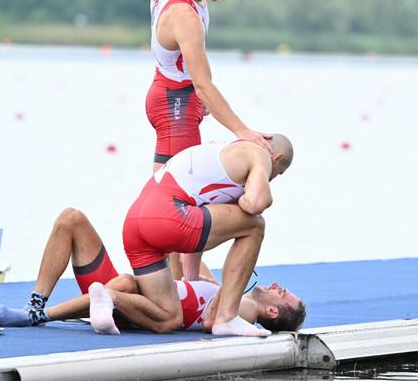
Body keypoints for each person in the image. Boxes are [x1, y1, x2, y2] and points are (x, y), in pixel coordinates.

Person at [0, 208, 306, 334]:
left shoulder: (247, 309)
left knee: (126, 283)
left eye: (282, 294)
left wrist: (239, 270)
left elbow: (215, 321)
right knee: (70, 219)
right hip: (133, 290)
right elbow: (186, 250)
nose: (278, 285)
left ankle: (40, 315)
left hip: (143, 308)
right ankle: (38, 302)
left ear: (272, 312)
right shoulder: (215, 284)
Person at [122, 134, 293, 337]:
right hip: (167, 216)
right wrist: (247, 201)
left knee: (168, 317)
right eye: (278, 174)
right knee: (255, 225)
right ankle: (226, 318)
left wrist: (192, 280)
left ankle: (105, 299)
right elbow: (257, 203)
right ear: (278, 158)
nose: (271, 178)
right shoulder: (259, 155)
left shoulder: (224, 156)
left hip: (134, 224)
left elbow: (200, 222)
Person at [147, 0, 272, 173]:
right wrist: (242, 131)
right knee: (174, 193)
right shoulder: (184, 15)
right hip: (175, 103)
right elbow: (202, 83)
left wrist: (202, 97)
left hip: (174, 94)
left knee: (167, 190)